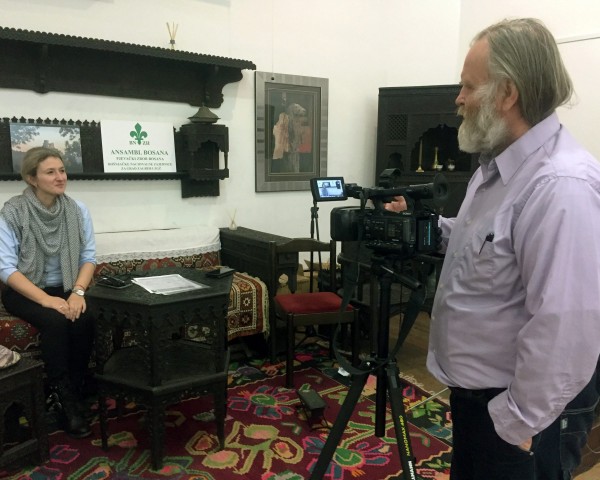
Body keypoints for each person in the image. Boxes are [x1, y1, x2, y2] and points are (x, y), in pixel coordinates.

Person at [386, 18, 600, 479]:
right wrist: (426, 227)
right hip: (482, 406)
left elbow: (567, 327)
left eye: (468, 86)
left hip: (520, 420)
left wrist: (515, 424)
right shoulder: (496, 169)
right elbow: (486, 244)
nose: (458, 98)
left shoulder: (560, 187)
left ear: (507, 93)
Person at [0, 146, 96, 438]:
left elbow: (88, 258)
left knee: (85, 318)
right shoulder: (12, 212)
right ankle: (63, 398)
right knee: (55, 321)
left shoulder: (77, 210)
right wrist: (46, 300)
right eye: (50, 172)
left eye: (62, 170)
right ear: (32, 178)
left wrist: (78, 292)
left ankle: (75, 388)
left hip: (66, 286)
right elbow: (6, 269)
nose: (60, 177)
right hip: (24, 289)